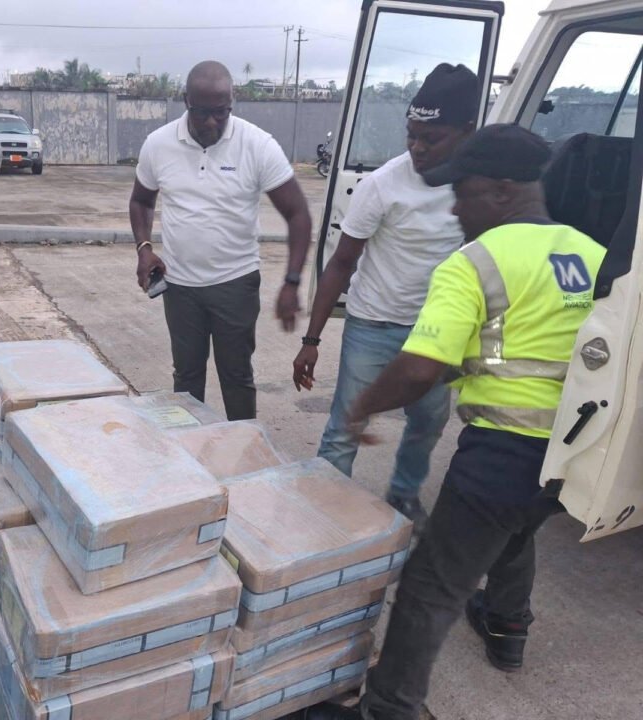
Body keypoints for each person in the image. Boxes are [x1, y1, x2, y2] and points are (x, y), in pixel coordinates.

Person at [308, 124, 605, 720]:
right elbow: (507, 347)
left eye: (461, 194)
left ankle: (387, 709)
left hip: (502, 449)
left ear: (501, 191)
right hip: (576, 452)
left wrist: (364, 406)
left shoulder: (473, 263)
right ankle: (507, 625)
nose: (453, 209)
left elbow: (419, 368)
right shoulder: (593, 254)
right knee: (515, 528)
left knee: (429, 587)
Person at [292, 63, 479, 531]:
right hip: (373, 327)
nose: (417, 147)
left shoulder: (479, 188)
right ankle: (319, 516)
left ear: (466, 131)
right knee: (344, 429)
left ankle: (404, 494)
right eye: (411, 135)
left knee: (428, 424)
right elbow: (341, 263)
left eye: (431, 138)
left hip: (435, 333)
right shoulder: (382, 184)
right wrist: (311, 340)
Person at [130, 60, 312, 421]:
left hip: (235, 284)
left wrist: (292, 281)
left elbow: (298, 214)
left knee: (237, 377)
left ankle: (243, 450)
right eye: (202, 113)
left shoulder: (257, 145)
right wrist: (144, 248)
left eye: (221, 112)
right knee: (186, 378)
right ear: (186, 101)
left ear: (231, 103)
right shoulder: (159, 144)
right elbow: (141, 201)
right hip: (180, 287)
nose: (213, 122)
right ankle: (188, 448)